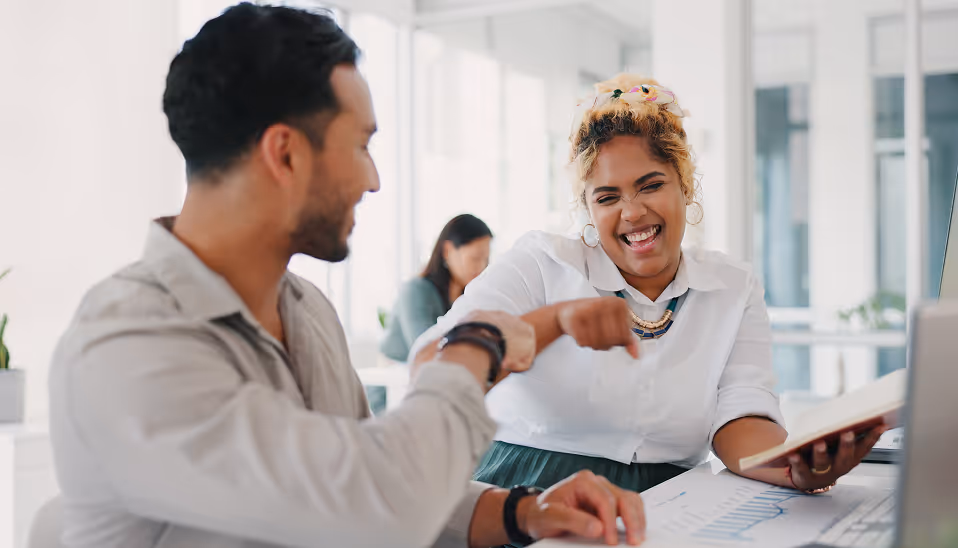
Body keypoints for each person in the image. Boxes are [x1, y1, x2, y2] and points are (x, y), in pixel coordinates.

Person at [46, 7, 647, 548]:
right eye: (361, 145)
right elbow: (380, 504)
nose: (374, 179)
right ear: (284, 154)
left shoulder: (305, 308)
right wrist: (478, 343)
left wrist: (524, 511)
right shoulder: (126, 346)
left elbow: (363, 474)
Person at [411, 74, 887, 497]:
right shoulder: (541, 262)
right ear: (589, 209)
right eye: (608, 196)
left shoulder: (732, 286)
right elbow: (433, 360)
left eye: (650, 185)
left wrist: (794, 469)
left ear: (685, 184)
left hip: (668, 502)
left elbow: (741, 416)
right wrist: (553, 322)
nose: (632, 212)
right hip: (525, 493)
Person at [381, 214, 493, 362]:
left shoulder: (467, 297)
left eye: (486, 260)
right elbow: (426, 349)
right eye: (475, 258)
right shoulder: (415, 290)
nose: (481, 267)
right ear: (447, 251)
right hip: (393, 380)